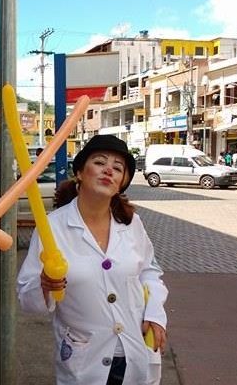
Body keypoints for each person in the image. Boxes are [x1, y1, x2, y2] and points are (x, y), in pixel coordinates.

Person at [17, 135, 168, 385]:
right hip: (85, 360)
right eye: (99, 162)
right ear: (79, 172)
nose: (109, 169)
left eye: (118, 168)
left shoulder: (131, 224)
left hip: (135, 351)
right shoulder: (52, 227)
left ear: (121, 183)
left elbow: (149, 272)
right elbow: (26, 297)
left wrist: (155, 314)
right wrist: (44, 286)